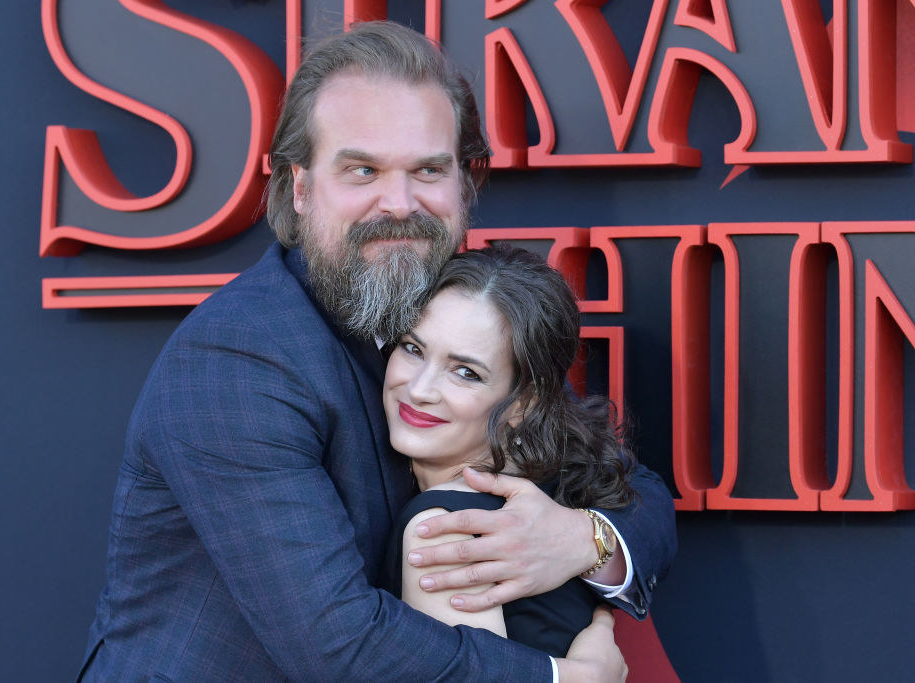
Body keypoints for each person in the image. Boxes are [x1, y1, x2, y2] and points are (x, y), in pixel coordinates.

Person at [78, 20, 675, 682]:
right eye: (363, 169)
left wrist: (578, 540)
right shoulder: (238, 361)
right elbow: (337, 643)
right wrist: (563, 681)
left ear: (463, 187)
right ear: (300, 188)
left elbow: (630, 485)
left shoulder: (446, 307)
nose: (399, 203)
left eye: (428, 170)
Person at [381, 246, 636, 660]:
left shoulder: (447, 529)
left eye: (466, 372)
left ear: (523, 405)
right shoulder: (543, 490)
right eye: (413, 349)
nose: (419, 390)